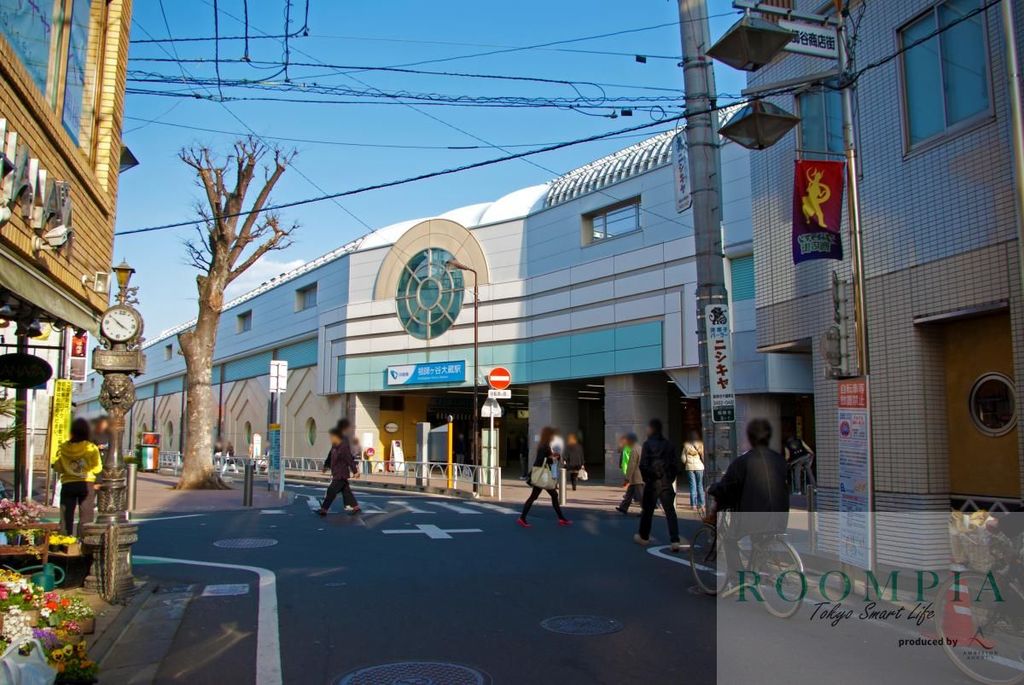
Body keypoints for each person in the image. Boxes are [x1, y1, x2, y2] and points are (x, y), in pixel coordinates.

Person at [708, 419, 790, 579]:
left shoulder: (742, 462)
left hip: (753, 517)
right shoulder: (779, 460)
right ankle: (761, 568)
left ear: (750, 438)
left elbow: (727, 487)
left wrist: (712, 489)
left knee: (729, 539)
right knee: (760, 538)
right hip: (780, 516)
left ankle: (738, 577)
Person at [635, 419, 682, 552]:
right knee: (670, 512)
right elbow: (675, 465)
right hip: (666, 482)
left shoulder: (647, 444)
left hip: (652, 483)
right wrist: (669, 478)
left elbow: (643, 465)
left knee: (648, 511)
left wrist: (648, 478)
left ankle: (643, 536)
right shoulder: (669, 444)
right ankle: (675, 540)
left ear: (652, 429)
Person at [53, 418, 102, 535]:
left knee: (66, 515)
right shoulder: (91, 447)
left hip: (68, 483)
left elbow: (57, 467)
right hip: (86, 483)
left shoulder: (63, 447)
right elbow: (97, 467)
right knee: (86, 515)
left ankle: (64, 541)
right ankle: (83, 541)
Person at [517, 427, 571, 528]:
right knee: (546, 496)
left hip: (542, 475)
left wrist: (553, 456)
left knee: (547, 495)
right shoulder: (545, 446)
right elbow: (543, 460)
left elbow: (543, 458)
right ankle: (522, 518)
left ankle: (561, 518)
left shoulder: (543, 445)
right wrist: (554, 457)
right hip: (543, 476)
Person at [317, 420, 360, 516]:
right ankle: (356, 507)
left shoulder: (343, 446)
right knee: (346, 491)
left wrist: (355, 471)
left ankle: (324, 509)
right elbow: (330, 455)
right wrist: (326, 466)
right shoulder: (335, 445)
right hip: (337, 472)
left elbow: (349, 458)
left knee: (331, 490)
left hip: (341, 473)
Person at [616, 433, 644, 514]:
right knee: (630, 492)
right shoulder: (640, 448)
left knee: (640, 495)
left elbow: (632, 464)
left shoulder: (634, 450)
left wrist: (627, 477)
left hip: (636, 476)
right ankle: (623, 507)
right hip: (640, 474)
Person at [683, 431, 706, 513]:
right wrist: (704, 463)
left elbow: (683, 457)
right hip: (699, 467)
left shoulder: (686, 445)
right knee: (700, 485)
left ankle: (693, 505)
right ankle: (702, 504)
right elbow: (703, 455)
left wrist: (686, 462)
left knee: (693, 486)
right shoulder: (700, 444)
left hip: (689, 467)